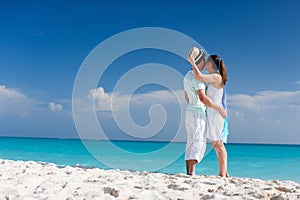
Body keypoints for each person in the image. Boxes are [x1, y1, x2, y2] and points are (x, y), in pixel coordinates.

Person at [184, 48, 226, 175]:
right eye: (204, 60)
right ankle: (222, 172)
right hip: (205, 112)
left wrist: (192, 62)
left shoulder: (214, 77)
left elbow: (187, 97)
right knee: (202, 142)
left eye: (208, 61)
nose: (205, 63)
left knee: (215, 143)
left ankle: (223, 173)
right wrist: (192, 61)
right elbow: (202, 96)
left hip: (209, 112)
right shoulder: (201, 78)